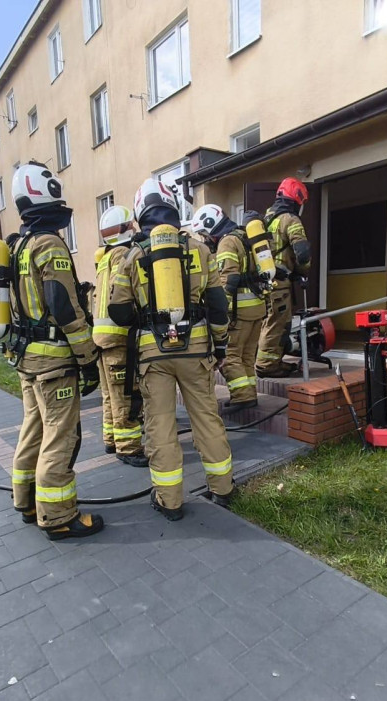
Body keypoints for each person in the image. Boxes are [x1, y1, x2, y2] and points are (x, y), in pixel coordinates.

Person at [108, 179, 235, 521]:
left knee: (160, 425)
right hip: (196, 350)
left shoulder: (133, 255)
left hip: (154, 355)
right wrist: (220, 343)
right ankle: (222, 489)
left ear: (139, 213)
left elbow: (117, 311)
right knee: (206, 418)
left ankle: (170, 501)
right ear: (175, 209)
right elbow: (218, 305)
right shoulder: (200, 249)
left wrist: (144, 315)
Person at [7, 161, 103, 540]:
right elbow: (63, 306)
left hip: (27, 360)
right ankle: (59, 516)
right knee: (61, 437)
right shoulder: (48, 243)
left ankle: (27, 502)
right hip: (54, 363)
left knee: (33, 429)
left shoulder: (18, 246)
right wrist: (88, 359)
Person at [192, 204, 266, 411]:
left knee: (231, 355)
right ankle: (249, 394)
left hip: (239, 311)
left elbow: (229, 279)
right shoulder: (244, 236)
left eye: (204, 233)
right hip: (257, 307)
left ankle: (242, 397)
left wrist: (221, 309)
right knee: (247, 356)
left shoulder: (227, 242)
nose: (205, 238)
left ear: (211, 224)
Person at [92, 205, 147, 466]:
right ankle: (128, 448)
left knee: (109, 394)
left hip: (102, 339)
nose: (135, 228)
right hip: (118, 338)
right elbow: (127, 296)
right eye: (131, 225)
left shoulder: (105, 257)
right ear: (124, 230)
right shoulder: (126, 254)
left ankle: (111, 438)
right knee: (127, 394)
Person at [256, 177, 311, 378]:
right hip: (279, 283)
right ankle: (266, 365)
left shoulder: (265, 219)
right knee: (277, 323)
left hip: (263, 281)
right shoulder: (290, 219)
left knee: (267, 322)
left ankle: (272, 361)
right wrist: (301, 272)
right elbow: (303, 252)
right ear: (297, 199)